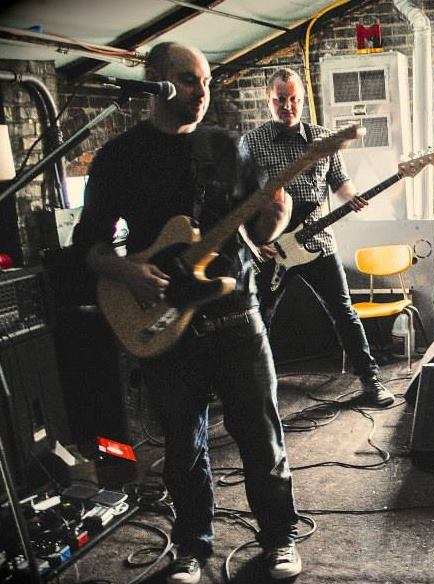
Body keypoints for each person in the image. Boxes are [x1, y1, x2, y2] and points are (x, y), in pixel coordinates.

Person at [72, 43, 302, 583]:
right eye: (189, 80)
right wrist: (128, 272)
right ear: (155, 79)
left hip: (235, 311)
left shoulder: (225, 147)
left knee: (261, 437)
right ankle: (192, 546)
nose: (202, 92)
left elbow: (259, 229)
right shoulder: (120, 156)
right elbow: (89, 244)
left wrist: (277, 214)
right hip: (164, 319)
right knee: (183, 444)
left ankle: (279, 538)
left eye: (206, 81)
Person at [240, 68, 395, 407]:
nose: (288, 106)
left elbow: (340, 181)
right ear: (268, 100)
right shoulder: (251, 143)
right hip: (272, 248)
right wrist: (252, 243)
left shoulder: (324, 139)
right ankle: (253, 393)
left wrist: (352, 197)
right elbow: (235, 201)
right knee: (259, 318)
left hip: (319, 242)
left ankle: (371, 381)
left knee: (344, 312)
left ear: (302, 100)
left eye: (294, 99)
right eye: (280, 99)